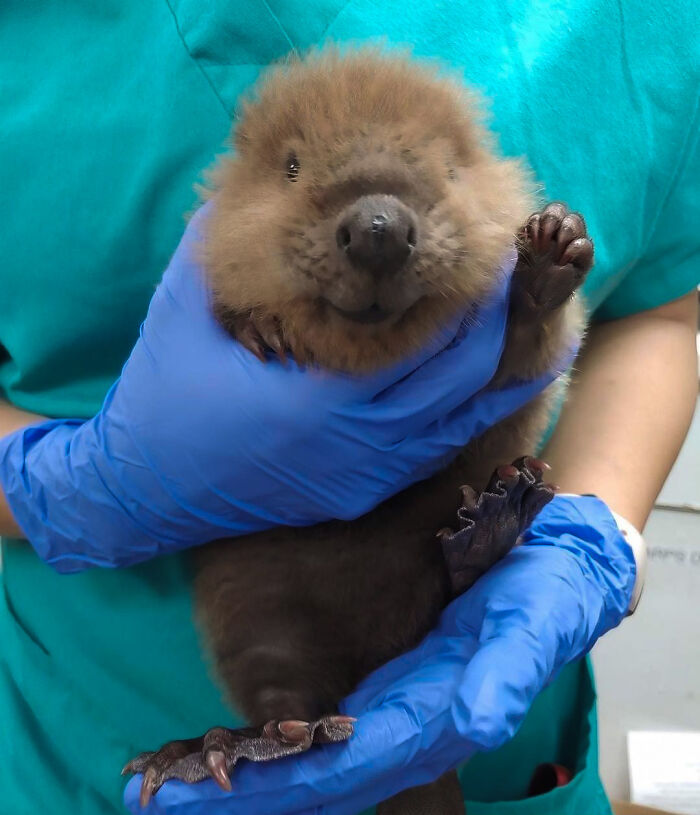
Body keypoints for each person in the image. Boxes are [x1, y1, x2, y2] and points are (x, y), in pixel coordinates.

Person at [0, 3, 697, 815]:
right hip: (100, 719)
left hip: (486, 695)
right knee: (273, 660)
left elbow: (659, 310)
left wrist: (594, 536)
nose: (375, 233)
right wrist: (70, 485)